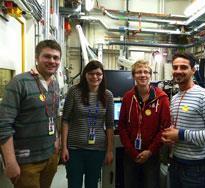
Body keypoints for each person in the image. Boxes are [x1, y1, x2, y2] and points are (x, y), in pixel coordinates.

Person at [0, 39, 61, 188]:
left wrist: (56, 139)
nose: (52, 61)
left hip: (50, 156)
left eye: (56, 57)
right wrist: (10, 161)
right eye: (47, 56)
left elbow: (52, 115)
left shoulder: (54, 83)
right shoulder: (19, 83)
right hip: (27, 161)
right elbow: (3, 124)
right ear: (36, 58)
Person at [161, 52, 205, 188]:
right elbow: (177, 130)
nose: (178, 71)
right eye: (175, 67)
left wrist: (180, 134)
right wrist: (170, 139)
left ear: (193, 70)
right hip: (175, 164)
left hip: (195, 170)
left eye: (184, 67)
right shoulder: (175, 98)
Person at [61, 60, 114, 188]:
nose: (95, 77)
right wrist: (64, 147)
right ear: (85, 74)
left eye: (98, 74)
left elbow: (110, 125)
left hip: (97, 149)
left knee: (92, 184)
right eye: (91, 73)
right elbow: (65, 120)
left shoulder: (107, 96)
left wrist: (109, 150)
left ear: (102, 76)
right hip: (74, 149)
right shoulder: (74, 92)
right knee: (74, 184)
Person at [118, 60, 171, 188]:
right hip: (131, 155)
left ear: (150, 75)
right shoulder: (127, 97)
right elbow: (122, 126)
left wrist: (150, 151)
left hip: (152, 155)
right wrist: (132, 151)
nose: (143, 75)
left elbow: (164, 127)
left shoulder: (162, 98)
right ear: (133, 75)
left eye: (146, 72)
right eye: (139, 72)